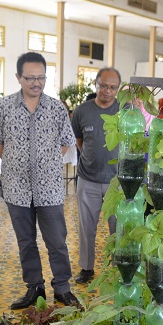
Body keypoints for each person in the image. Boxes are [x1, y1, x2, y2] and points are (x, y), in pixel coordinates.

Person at [0, 52, 79, 309]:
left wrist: (46, 162)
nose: (36, 83)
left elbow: (66, 142)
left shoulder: (56, 108)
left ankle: (62, 288)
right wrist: (16, 161)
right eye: (30, 78)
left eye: (41, 78)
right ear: (18, 77)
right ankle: (34, 288)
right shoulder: (5, 107)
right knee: (25, 241)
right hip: (16, 188)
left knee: (57, 242)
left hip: (49, 187)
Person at [71, 67, 122, 284]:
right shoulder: (82, 111)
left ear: (118, 89)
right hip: (88, 179)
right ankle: (87, 268)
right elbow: (79, 140)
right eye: (103, 86)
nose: (107, 91)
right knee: (86, 228)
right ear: (96, 84)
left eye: (112, 87)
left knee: (118, 229)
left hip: (118, 182)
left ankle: (118, 269)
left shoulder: (125, 111)